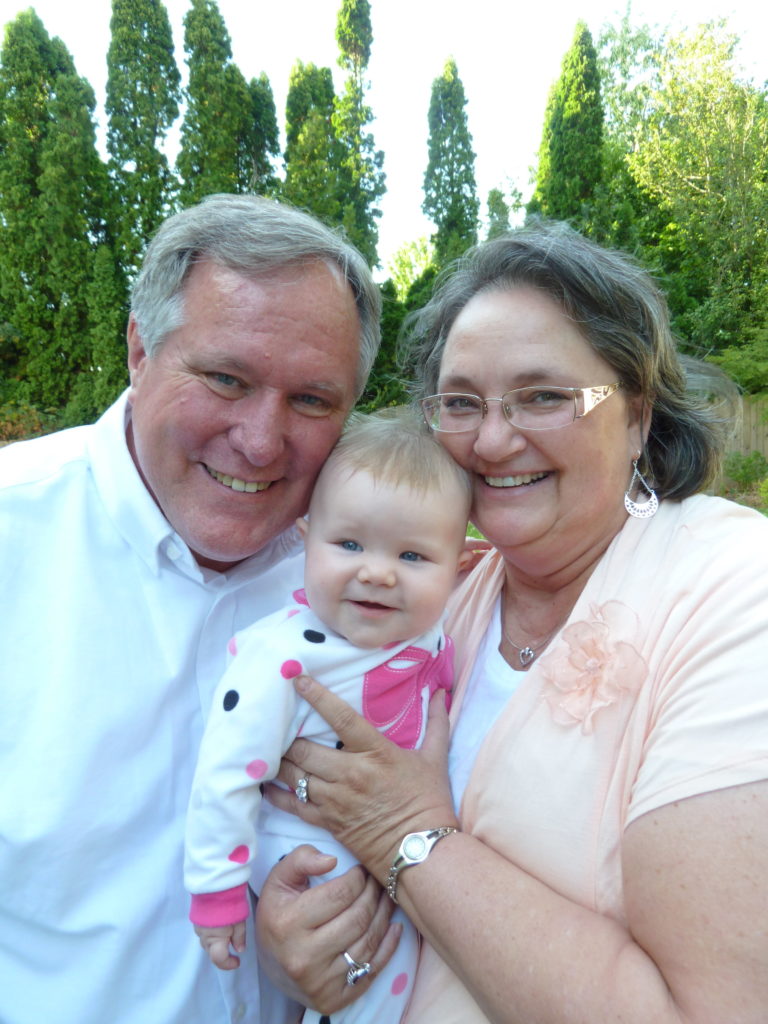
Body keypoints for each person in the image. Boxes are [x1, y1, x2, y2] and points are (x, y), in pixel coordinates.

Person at [256, 221, 768, 1023]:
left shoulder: (735, 591)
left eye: (543, 396)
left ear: (635, 414)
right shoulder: (439, 591)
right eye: (462, 403)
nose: (493, 439)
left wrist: (407, 835)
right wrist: (304, 944)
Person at [0, 193, 384, 1024]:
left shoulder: (374, 587)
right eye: (225, 379)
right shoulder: (13, 536)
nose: (260, 440)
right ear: (139, 350)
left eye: (313, 401)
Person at [184, 408, 473, 1024]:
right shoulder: (283, 658)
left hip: (393, 846)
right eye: (348, 544)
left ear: (459, 565)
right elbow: (225, 773)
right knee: (376, 970)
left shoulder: (425, 627)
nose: (376, 571)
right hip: (307, 850)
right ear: (306, 537)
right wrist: (217, 895)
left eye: (415, 556)